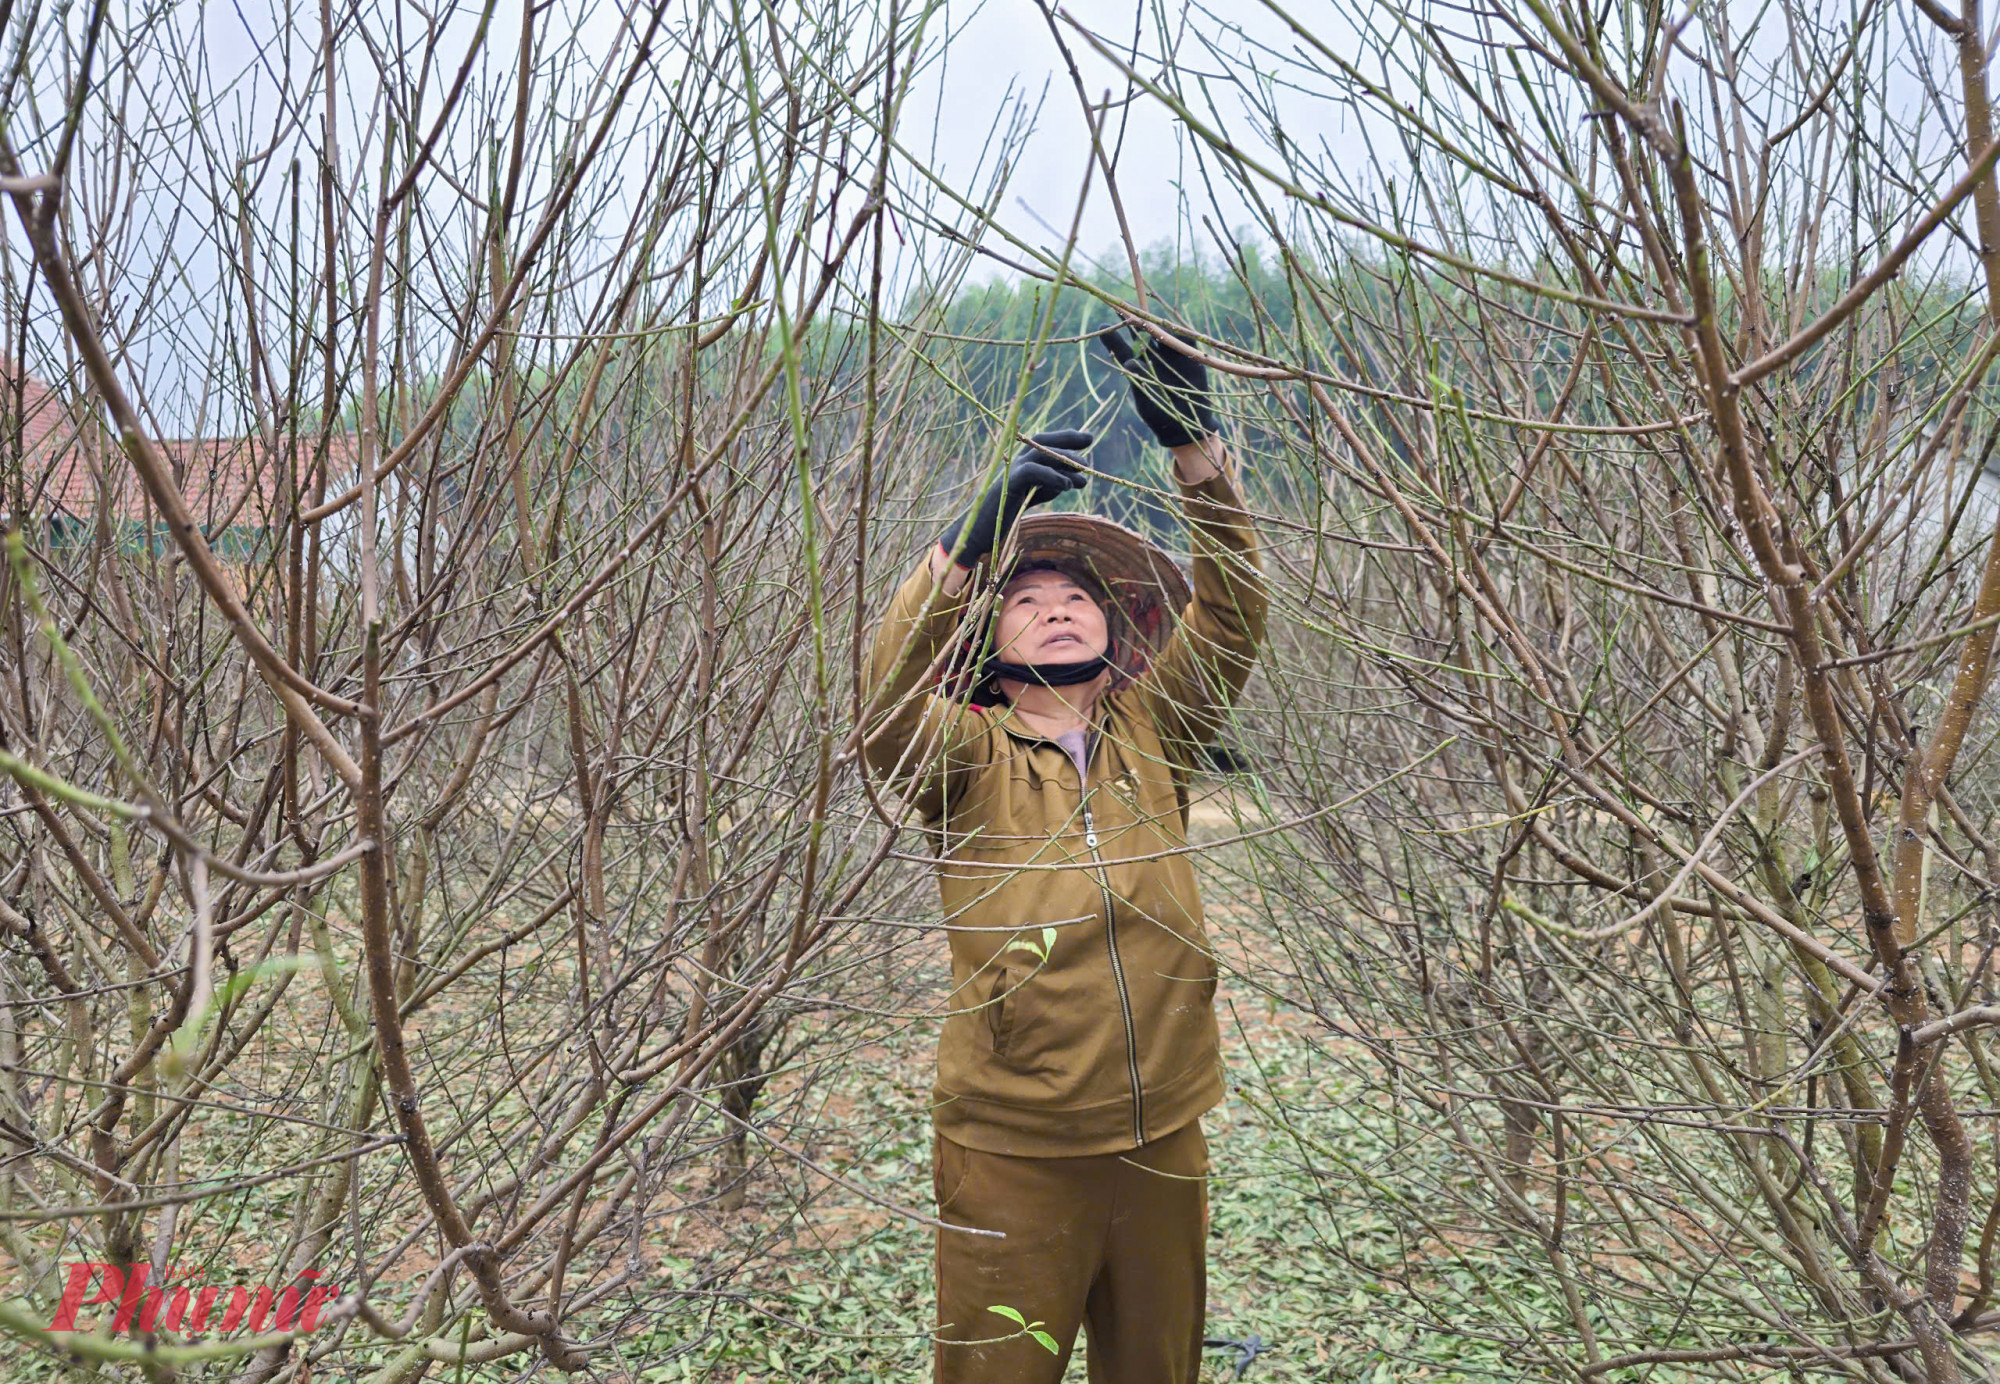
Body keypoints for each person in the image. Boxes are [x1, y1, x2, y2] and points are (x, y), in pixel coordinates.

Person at [862, 323, 1268, 1384]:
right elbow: (882, 710)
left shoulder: (1154, 730)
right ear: (989, 650)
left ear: (1114, 628)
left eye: (1073, 597)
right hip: (1011, 1150)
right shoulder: (962, 754)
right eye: (1025, 601)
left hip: (1161, 1138)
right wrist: (972, 532)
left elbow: (1231, 617)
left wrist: (1194, 450)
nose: (1050, 608)